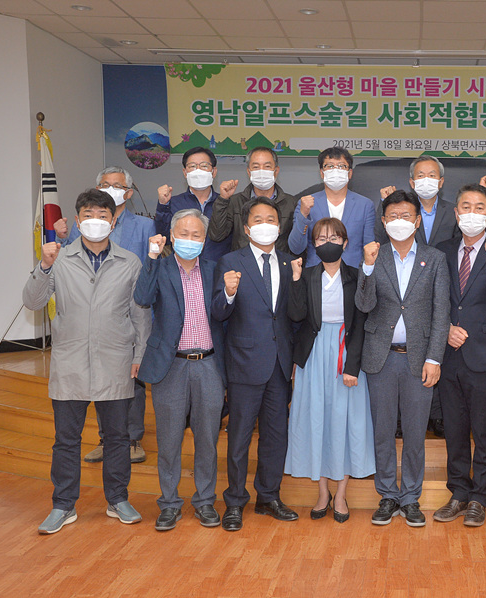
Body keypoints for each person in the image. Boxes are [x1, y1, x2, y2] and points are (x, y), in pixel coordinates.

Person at [25, 189, 151, 534]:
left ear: (113, 220)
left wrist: (140, 355)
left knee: (117, 437)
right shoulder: (59, 258)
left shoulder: (130, 262)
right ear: (78, 221)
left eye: (102, 215)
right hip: (71, 362)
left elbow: (140, 315)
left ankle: (118, 499)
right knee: (66, 439)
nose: (95, 221)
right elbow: (33, 302)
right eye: (88, 215)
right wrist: (43, 266)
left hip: (116, 361)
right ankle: (63, 505)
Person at [355, 190, 449, 528]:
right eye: (393, 216)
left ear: (417, 220)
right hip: (380, 358)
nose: (400, 221)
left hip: (419, 359)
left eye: (406, 215)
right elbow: (364, 305)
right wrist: (367, 267)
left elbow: (441, 313)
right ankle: (387, 495)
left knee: (414, 433)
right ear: (383, 221)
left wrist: (435, 358)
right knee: (382, 432)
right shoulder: (373, 256)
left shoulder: (435, 258)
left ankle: (410, 497)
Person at [54, 166, 155, 465]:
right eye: (105, 184)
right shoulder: (84, 223)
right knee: (98, 383)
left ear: (129, 192)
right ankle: (104, 440)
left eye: (117, 185)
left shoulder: (144, 226)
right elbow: (71, 260)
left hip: (127, 313)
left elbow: (150, 270)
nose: (111, 188)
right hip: (88, 319)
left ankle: (131, 439)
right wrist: (59, 238)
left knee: (129, 385)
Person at [133, 209, 226, 531]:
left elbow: (224, 313)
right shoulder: (160, 268)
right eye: (183, 234)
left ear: (205, 238)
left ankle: (205, 501)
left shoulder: (214, 270)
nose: (189, 239)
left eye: (196, 234)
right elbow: (142, 298)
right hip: (171, 366)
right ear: (172, 236)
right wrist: (152, 257)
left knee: (207, 440)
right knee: (169, 441)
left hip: (209, 365)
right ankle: (169, 503)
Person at [433, 184, 486, 527]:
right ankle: (458, 493)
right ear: (456, 213)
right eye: (465, 206)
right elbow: (434, 300)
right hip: (449, 354)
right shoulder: (441, 251)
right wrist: (445, 329)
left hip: (485, 355)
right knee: (454, 430)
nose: (472, 212)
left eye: (479, 207)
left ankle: (480, 499)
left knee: (484, 432)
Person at [213, 196, 297, 530]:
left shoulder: (290, 263)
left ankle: (268, 496)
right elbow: (218, 312)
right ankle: (234, 501)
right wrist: (229, 293)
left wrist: (294, 360)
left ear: (280, 226)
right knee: (239, 437)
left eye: (271, 219)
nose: (265, 225)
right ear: (247, 229)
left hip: (280, 365)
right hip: (244, 363)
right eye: (258, 220)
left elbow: (292, 317)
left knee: (276, 435)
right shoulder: (230, 261)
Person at [284, 217, 373, 524]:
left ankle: (342, 493)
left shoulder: (357, 276)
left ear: (345, 243)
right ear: (314, 245)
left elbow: (361, 324)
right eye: (321, 239)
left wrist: (352, 366)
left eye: (334, 238)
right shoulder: (307, 275)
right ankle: (323, 492)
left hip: (346, 355)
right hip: (313, 355)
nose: (327, 243)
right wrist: (296, 280)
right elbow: (296, 315)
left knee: (345, 423)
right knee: (316, 421)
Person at [378, 155, 458, 438]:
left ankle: (436, 417)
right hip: (392, 321)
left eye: (432, 174)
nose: (426, 180)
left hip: (439, 292)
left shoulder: (452, 213)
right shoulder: (394, 219)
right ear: (411, 181)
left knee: (430, 371)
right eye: (420, 175)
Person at [289, 146, 376, 268]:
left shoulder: (365, 205)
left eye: (341, 166)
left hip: (352, 275)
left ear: (350, 173)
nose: (335, 170)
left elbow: (369, 247)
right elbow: (296, 248)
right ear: (322, 173)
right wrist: (303, 215)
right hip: (316, 274)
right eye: (330, 166)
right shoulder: (306, 204)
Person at [208, 146, 299, 256]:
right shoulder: (235, 202)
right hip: (243, 263)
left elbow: (298, 244)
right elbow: (217, 235)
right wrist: (223, 200)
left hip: (279, 263)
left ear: (276, 171)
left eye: (267, 166)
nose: (261, 171)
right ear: (249, 172)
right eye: (256, 167)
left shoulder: (291, 203)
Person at [156, 146, 236, 261]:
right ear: (185, 172)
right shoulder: (173, 203)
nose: (198, 170)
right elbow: (165, 237)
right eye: (192, 166)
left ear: (214, 172)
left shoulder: (226, 202)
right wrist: (163, 205)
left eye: (204, 166)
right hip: (184, 268)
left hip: (219, 268)